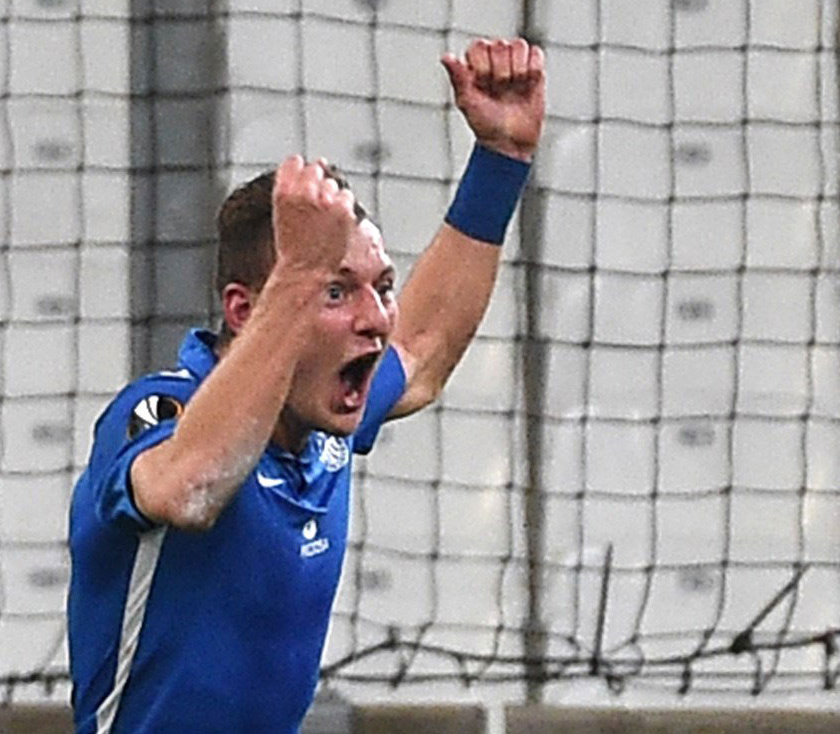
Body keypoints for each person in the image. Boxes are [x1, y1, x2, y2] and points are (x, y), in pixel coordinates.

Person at [67, 37, 546, 734]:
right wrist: (296, 274)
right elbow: (187, 486)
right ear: (243, 308)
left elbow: (422, 346)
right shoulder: (163, 407)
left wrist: (502, 161)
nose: (376, 318)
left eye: (381, 288)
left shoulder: (322, 430)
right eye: (336, 291)